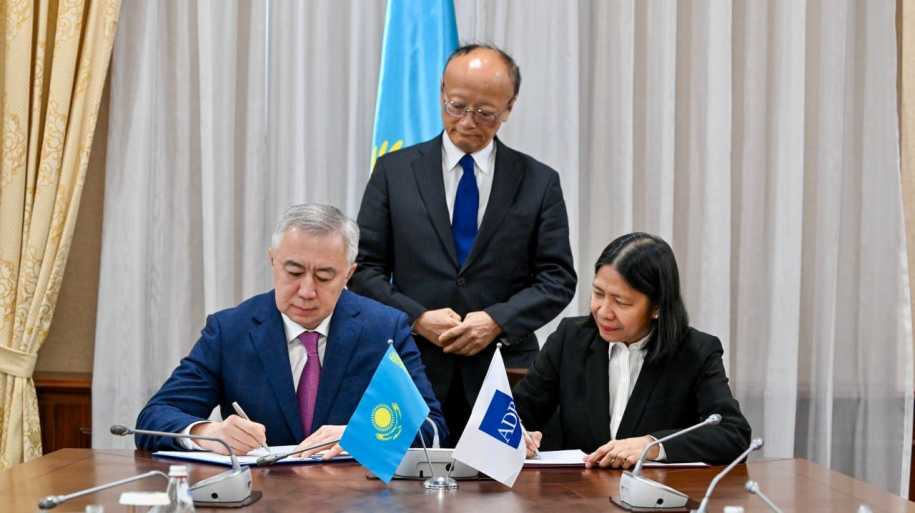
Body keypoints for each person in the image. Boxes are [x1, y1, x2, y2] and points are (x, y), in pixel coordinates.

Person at [350, 44, 576, 443]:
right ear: (441, 92)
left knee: (506, 480)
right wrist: (417, 318)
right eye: (456, 106)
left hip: (504, 369)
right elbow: (363, 270)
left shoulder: (539, 182)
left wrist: (497, 321)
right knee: (397, 478)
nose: (468, 122)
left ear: (509, 107)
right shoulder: (394, 172)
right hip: (412, 365)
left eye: (486, 112)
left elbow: (557, 279)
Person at [135, 204, 447, 457]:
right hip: (261, 498)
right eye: (294, 272)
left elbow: (432, 427)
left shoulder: (384, 329)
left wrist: (363, 436)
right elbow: (155, 416)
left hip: (354, 498)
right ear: (273, 261)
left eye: (324, 276)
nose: (307, 291)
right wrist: (210, 433)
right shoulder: (230, 331)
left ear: (349, 274)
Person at [514, 232, 751, 467]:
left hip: (653, 489)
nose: (603, 311)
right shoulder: (570, 339)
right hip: (577, 488)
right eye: (598, 294)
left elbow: (733, 434)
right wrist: (519, 435)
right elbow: (517, 411)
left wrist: (653, 445)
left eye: (621, 302)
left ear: (657, 307)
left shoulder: (696, 352)